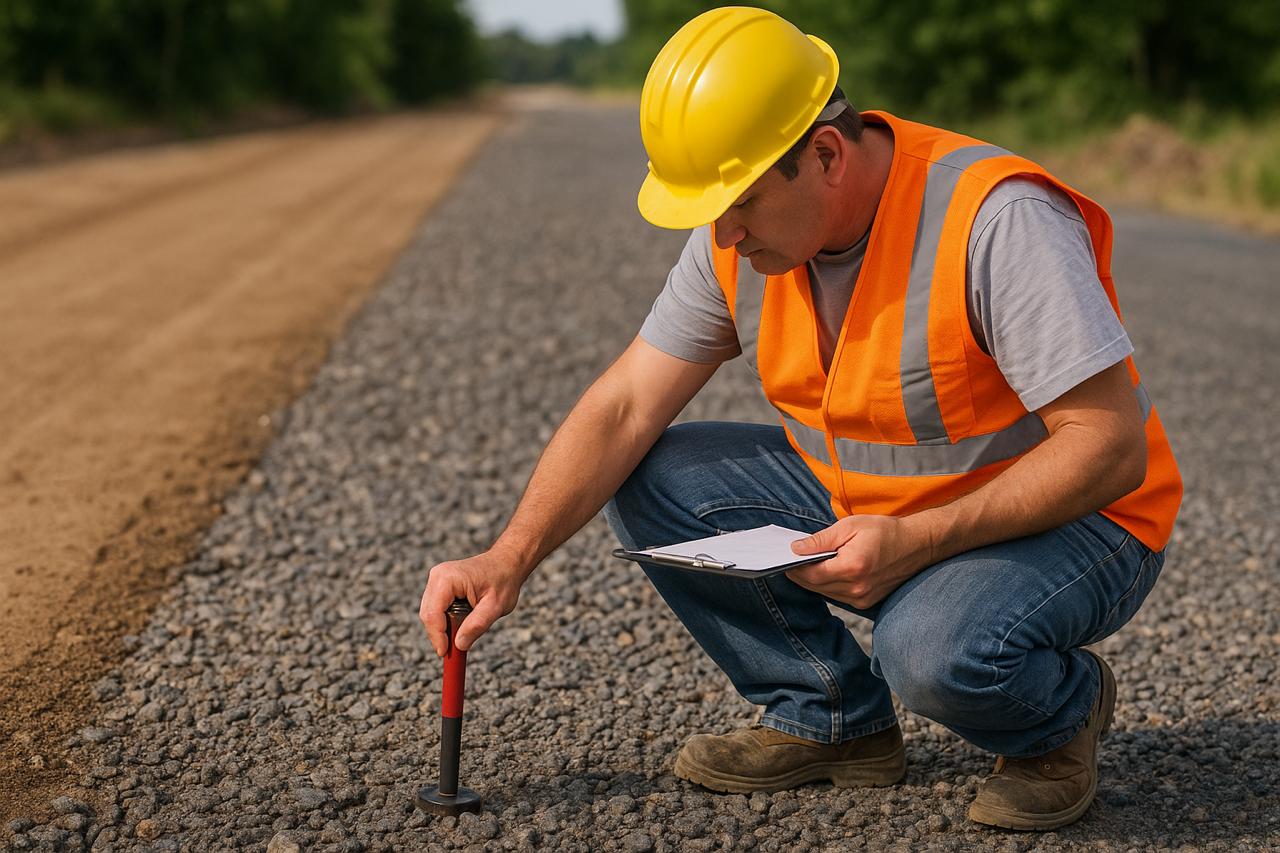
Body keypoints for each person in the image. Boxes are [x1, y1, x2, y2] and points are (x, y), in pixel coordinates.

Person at [420, 6, 1181, 831]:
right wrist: (509, 555)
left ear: (824, 154)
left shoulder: (995, 221)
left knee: (929, 651)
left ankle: (1058, 718)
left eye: (739, 202)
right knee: (654, 474)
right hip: (888, 512)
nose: (723, 233)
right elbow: (625, 405)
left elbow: (1109, 447)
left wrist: (919, 540)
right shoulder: (740, 239)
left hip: (1076, 522)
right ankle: (831, 717)